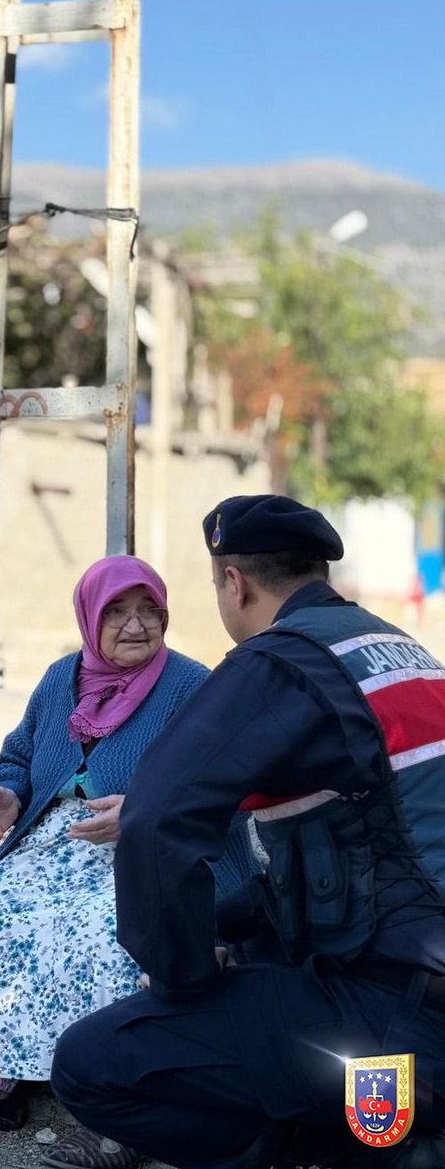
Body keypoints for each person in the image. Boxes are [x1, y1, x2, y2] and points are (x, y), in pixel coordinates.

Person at [51, 495, 445, 1169]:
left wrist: (182, 975)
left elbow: (155, 821)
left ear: (233, 583)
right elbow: (361, 848)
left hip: (396, 1015)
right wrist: (224, 928)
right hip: (417, 980)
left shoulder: (279, 663)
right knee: (258, 954)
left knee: (94, 1062)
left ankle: (364, 1142)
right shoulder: (398, 648)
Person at [0, 555, 259, 1168]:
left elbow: (221, 782)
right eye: (117, 612)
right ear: (89, 618)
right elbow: (18, 754)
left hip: (151, 847)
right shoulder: (62, 678)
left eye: (149, 610)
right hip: (56, 841)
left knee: (108, 927)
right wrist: (5, 793)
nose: (136, 625)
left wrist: (144, 811)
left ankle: (118, 1110)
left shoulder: (190, 685)